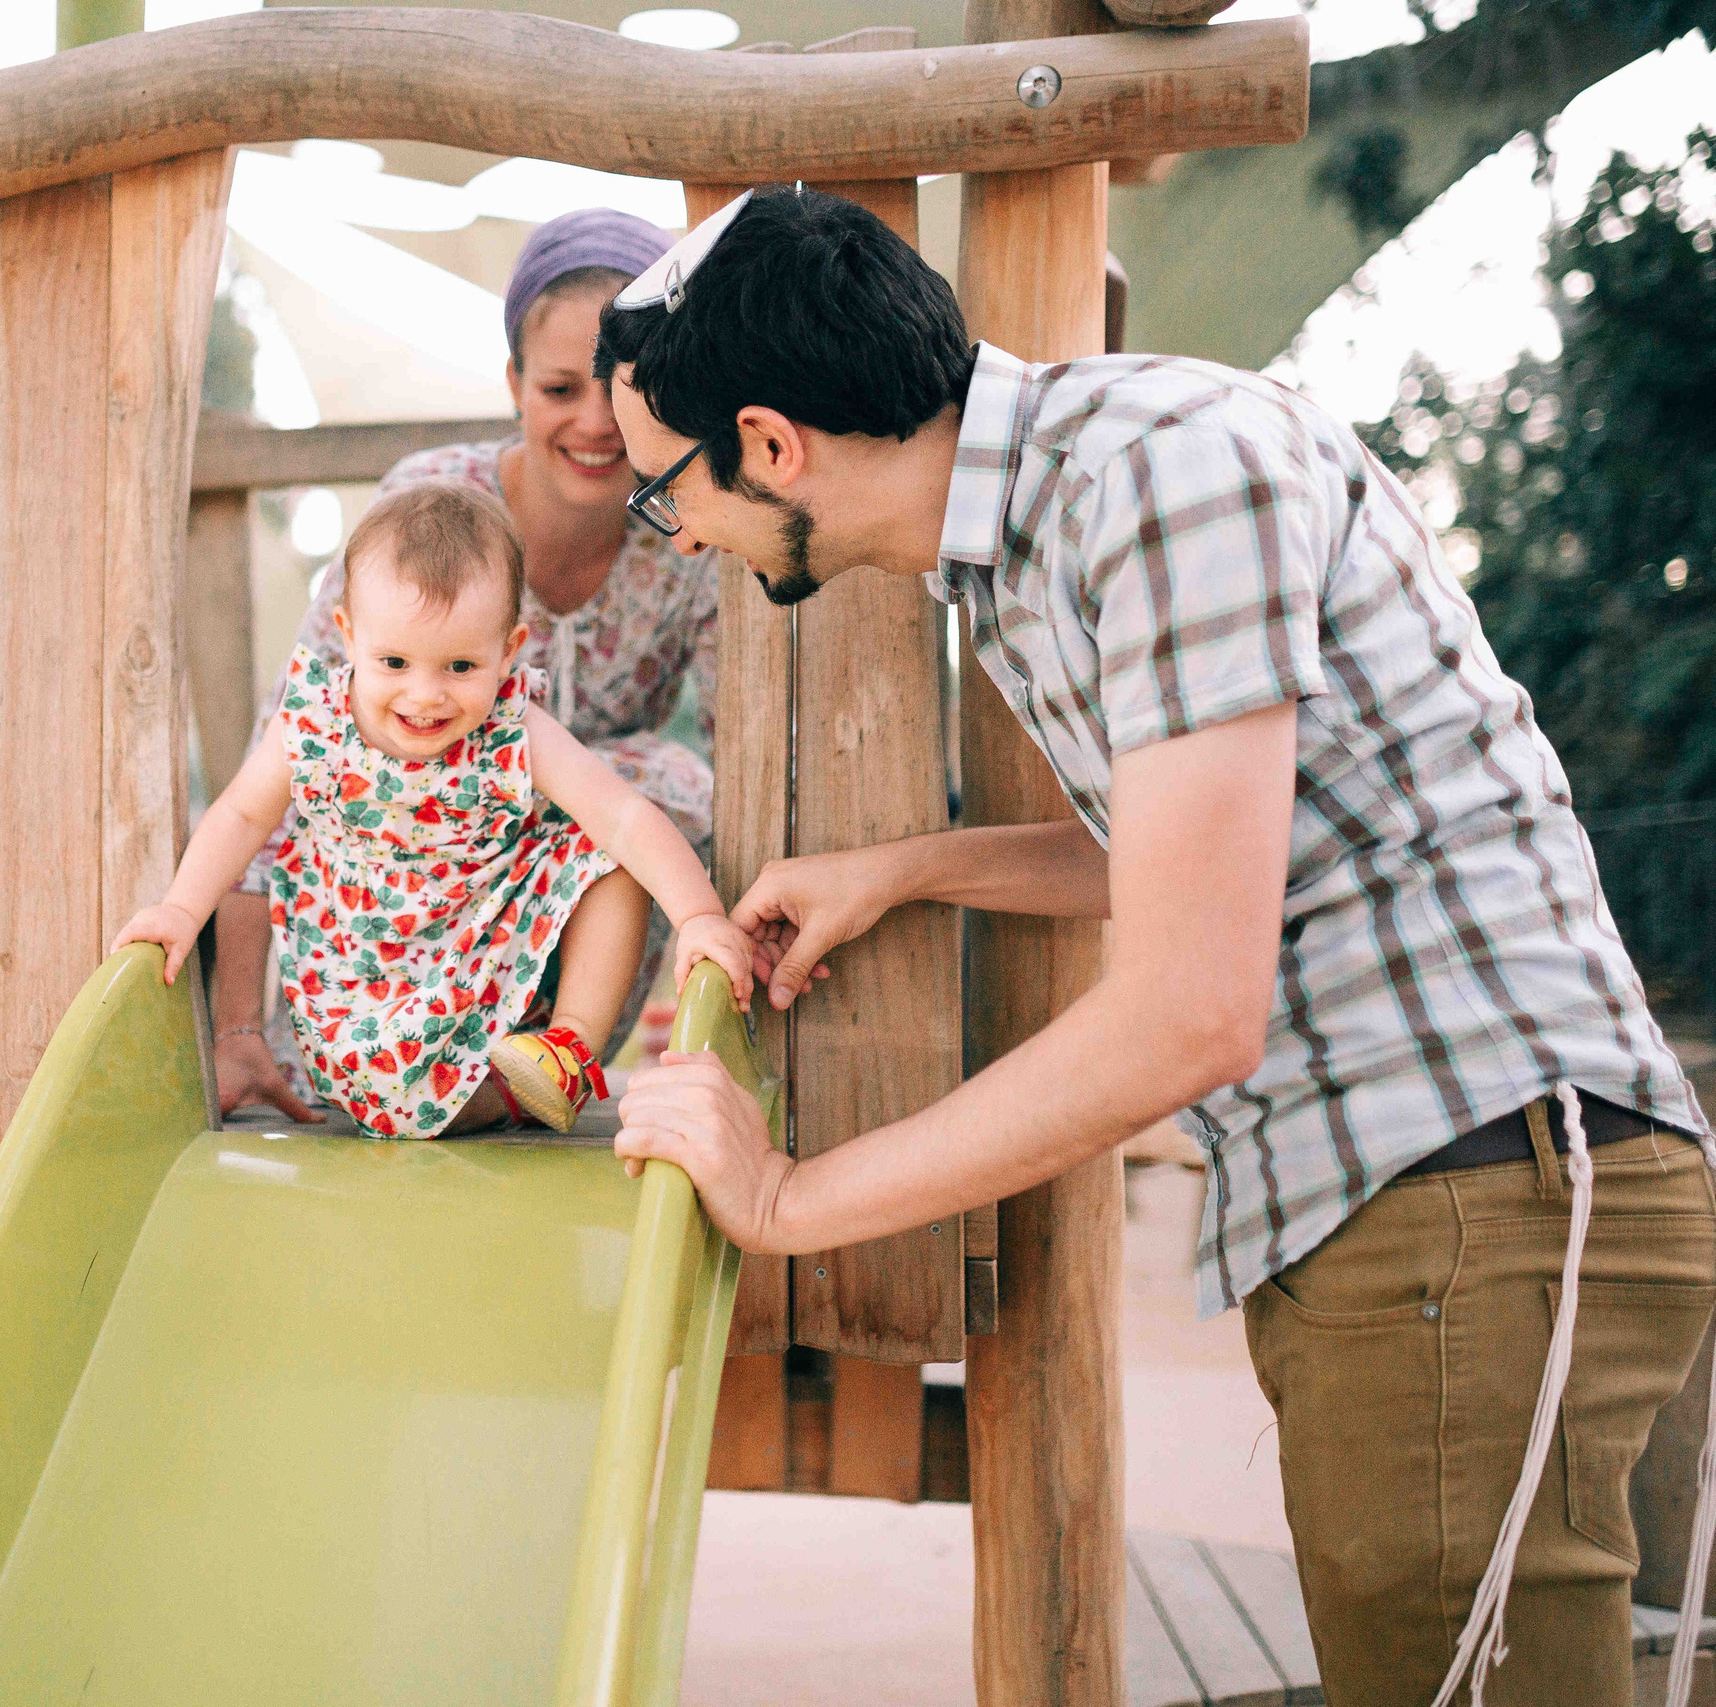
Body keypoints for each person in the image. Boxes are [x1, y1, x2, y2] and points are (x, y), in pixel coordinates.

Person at [597, 187, 1713, 1707]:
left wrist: (789, 1196)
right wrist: (913, 871)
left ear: (770, 443)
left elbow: (1193, 1005)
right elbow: (1225, 851)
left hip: (1468, 1181)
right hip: (1421, 1196)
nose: (681, 531)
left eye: (667, 489)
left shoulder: (1162, 474)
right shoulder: (1036, 531)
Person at [211, 207, 720, 1124]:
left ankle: (550, 1057)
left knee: (667, 785)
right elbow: (278, 771)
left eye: (624, 387)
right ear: (515, 382)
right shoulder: (430, 516)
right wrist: (237, 1025)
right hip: (389, 921)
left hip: (541, 916)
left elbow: (742, 763)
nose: (596, 420)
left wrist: (719, 935)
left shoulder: (694, 535)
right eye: (560, 387)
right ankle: (359, 1061)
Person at [118, 483, 750, 1136]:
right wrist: (181, 910)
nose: (425, 696)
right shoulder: (316, 720)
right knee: (403, 1108)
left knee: (612, 856)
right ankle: (502, 1097)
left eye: (460, 666)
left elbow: (623, 816)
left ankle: (566, 1048)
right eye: (394, 662)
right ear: (348, 637)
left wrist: (699, 916)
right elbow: (241, 817)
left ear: (509, 651)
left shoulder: (511, 725)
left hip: (482, 957)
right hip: (360, 977)